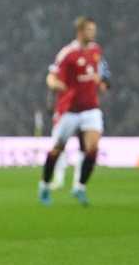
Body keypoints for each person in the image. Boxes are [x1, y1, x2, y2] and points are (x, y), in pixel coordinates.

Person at [38, 16, 107, 206]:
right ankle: (44, 185)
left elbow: (97, 73)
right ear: (80, 32)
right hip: (69, 109)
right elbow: (51, 77)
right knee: (57, 149)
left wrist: (99, 83)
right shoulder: (67, 54)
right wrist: (56, 84)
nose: (93, 33)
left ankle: (80, 188)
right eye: (89, 30)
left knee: (92, 148)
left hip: (91, 108)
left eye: (94, 30)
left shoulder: (96, 51)